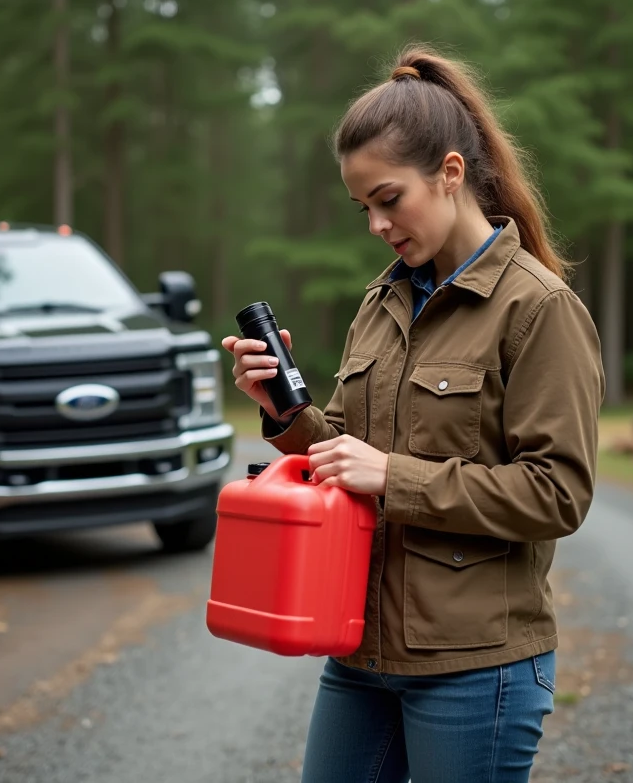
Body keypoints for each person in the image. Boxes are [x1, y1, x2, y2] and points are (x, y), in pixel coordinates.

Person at [221, 43, 605, 783]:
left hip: (474, 668)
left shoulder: (538, 308)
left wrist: (393, 476)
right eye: (363, 207)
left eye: (389, 199)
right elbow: (345, 454)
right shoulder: (383, 301)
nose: (376, 224)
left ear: (450, 173)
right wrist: (284, 413)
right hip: (359, 648)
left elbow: (558, 492)